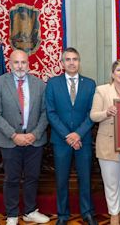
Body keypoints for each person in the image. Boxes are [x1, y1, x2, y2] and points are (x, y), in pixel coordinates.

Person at [0, 49, 49, 225]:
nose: (20, 66)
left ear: (28, 64)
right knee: (12, 179)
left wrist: (34, 134)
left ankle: (30, 211)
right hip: (9, 140)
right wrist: (13, 135)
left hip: (34, 140)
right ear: (10, 64)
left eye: (23, 62)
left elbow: (46, 113)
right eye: (16, 62)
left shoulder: (40, 84)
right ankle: (12, 214)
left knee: (32, 177)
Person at [45, 47, 97, 225]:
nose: (72, 62)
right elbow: (50, 113)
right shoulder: (52, 83)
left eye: (75, 59)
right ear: (62, 63)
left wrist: (78, 134)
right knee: (61, 180)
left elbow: (92, 112)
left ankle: (87, 212)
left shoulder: (90, 84)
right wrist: (68, 135)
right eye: (68, 59)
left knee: (85, 178)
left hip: (83, 140)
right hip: (61, 140)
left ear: (79, 62)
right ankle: (62, 215)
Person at [89, 60, 120, 225]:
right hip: (107, 142)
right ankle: (114, 213)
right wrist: (106, 112)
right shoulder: (102, 90)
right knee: (110, 181)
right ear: (112, 74)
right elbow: (93, 115)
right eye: (119, 70)